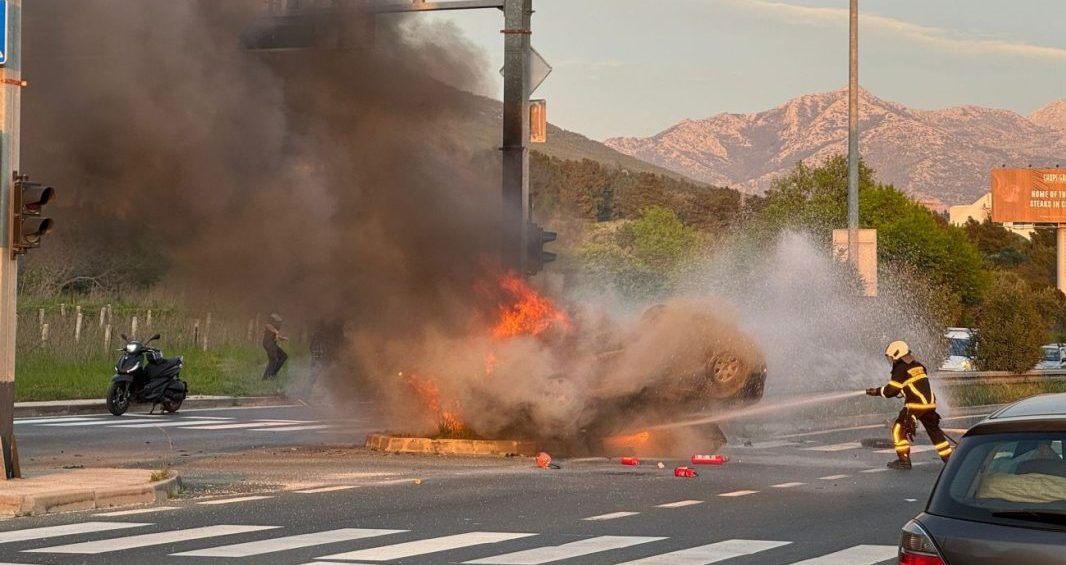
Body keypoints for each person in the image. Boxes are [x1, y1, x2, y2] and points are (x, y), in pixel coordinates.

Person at [866, 340, 952, 470]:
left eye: (891, 358)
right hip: (929, 405)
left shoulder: (901, 368)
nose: (891, 361)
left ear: (896, 354)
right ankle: (949, 460)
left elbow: (890, 391)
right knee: (935, 433)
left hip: (915, 406)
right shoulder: (918, 366)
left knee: (898, 429)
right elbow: (913, 385)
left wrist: (876, 391)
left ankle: (904, 460)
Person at [262, 313, 289, 380]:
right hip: (268, 343)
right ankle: (268, 377)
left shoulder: (279, 320)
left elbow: (272, 333)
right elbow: (267, 325)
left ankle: (271, 375)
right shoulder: (273, 317)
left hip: (272, 343)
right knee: (273, 359)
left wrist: (281, 337)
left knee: (283, 356)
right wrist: (276, 332)